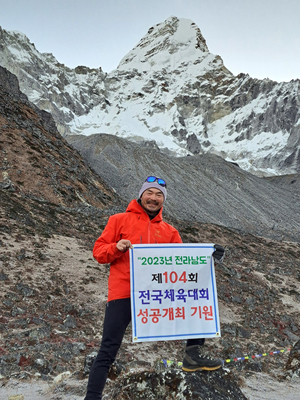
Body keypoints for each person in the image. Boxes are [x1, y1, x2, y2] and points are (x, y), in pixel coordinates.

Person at [84, 176, 225, 400]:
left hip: (157, 295)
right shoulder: (118, 220)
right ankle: (92, 397)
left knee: (198, 299)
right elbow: (99, 252)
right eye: (150, 193)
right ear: (141, 195)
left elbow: (182, 264)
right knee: (108, 348)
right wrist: (116, 247)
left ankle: (193, 353)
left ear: (163, 200)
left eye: (159, 195)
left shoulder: (170, 231)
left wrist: (208, 256)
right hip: (124, 293)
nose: (153, 198)